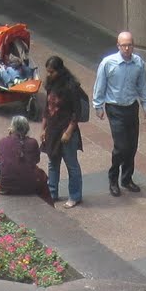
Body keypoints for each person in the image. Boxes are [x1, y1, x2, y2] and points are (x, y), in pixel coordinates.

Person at [93, 31, 146, 197]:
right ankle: (113, 179)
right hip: (114, 108)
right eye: (123, 45)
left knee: (132, 146)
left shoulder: (138, 63)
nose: (127, 48)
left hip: (131, 107)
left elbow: (142, 84)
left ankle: (127, 178)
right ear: (118, 46)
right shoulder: (108, 63)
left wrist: (145, 103)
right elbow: (100, 84)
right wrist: (98, 106)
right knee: (121, 146)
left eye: (130, 45)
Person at [41, 55, 85, 209]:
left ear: (59, 71)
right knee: (53, 162)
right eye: (47, 71)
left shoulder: (70, 87)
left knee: (71, 164)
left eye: (51, 72)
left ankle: (75, 195)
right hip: (53, 129)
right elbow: (47, 108)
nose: (49, 74)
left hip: (66, 129)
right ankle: (52, 192)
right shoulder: (51, 85)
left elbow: (76, 112)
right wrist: (44, 128)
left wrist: (69, 132)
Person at [0, 115, 50, 202]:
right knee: (42, 177)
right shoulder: (32, 142)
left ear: (11, 128)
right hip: (29, 185)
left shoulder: (2, 142)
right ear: (26, 129)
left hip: (6, 185)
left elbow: (2, 155)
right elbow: (36, 160)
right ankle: (49, 206)